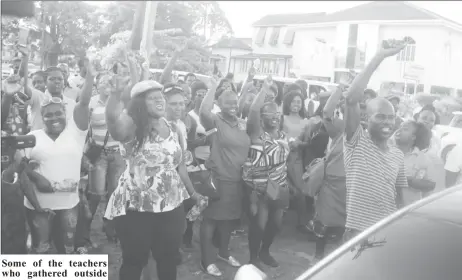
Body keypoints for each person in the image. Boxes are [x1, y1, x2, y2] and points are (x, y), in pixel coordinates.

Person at [104, 79, 199, 280]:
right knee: (134, 261)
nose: (160, 101)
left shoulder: (172, 127)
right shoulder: (132, 127)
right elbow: (113, 122)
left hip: (171, 207)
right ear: (140, 104)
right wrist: (115, 94)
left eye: (161, 97)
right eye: (152, 98)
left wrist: (193, 193)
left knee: (168, 259)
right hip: (137, 208)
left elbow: (179, 165)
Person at [20, 61, 94, 254]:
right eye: (49, 115)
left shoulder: (75, 134)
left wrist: (91, 76)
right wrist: (36, 177)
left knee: (67, 248)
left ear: (65, 114)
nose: (54, 118)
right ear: (41, 117)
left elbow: (84, 103)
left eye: (58, 113)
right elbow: (19, 167)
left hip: (68, 204)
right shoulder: (33, 137)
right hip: (38, 206)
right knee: (41, 248)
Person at [342, 43, 409, 241]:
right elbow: (351, 99)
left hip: (387, 232)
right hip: (358, 232)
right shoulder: (357, 142)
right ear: (366, 120)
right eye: (380, 116)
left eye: (391, 117)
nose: (387, 122)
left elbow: (400, 196)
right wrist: (379, 56)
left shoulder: (397, 154)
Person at [199, 78, 250, 276]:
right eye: (227, 103)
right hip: (219, 178)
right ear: (219, 105)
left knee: (229, 220)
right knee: (211, 219)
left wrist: (249, 81)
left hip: (238, 180)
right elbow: (204, 110)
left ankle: (223, 252)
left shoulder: (242, 124)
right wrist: (213, 85)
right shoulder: (215, 121)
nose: (233, 106)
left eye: (235, 103)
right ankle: (207, 260)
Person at [74, 73, 126, 254]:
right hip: (98, 155)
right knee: (95, 195)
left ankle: (110, 229)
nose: (107, 84)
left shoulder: (120, 102)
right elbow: (82, 130)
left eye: (110, 81)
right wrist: (83, 155)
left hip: (118, 155)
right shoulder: (91, 103)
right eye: (103, 82)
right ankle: (83, 236)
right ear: (97, 85)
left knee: (115, 194)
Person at [243, 79, 290, 270]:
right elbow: (253, 111)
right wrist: (264, 89)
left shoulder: (283, 135)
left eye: (277, 114)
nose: (275, 117)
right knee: (259, 225)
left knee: (276, 224)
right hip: (258, 188)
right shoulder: (256, 133)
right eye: (270, 113)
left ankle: (265, 251)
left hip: (279, 187)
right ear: (262, 117)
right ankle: (253, 257)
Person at [309, 83, 348, 264]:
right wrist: (339, 90)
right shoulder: (339, 129)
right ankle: (318, 257)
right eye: (346, 107)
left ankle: (338, 261)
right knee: (323, 223)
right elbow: (326, 113)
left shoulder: (366, 134)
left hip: (351, 187)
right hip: (331, 186)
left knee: (344, 226)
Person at [393, 120, 444, 205]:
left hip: (407, 209)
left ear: (413, 137)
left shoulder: (423, 159)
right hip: (382, 208)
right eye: (399, 127)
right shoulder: (385, 151)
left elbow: (431, 185)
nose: (399, 130)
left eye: (405, 129)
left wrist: (410, 181)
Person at [28, 66, 77, 131]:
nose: (57, 81)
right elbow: (26, 89)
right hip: (41, 140)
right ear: (45, 82)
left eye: (60, 79)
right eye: (52, 79)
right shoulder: (38, 97)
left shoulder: (71, 103)